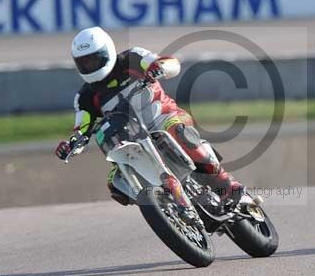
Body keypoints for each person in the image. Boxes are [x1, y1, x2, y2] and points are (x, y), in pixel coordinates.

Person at [54, 26, 249, 207]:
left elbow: (171, 63)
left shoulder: (132, 57)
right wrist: (71, 144)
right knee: (115, 184)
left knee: (180, 133)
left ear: (107, 52)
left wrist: (159, 67)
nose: (89, 66)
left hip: (164, 117)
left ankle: (226, 183)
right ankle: (165, 210)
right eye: (83, 62)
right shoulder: (85, 97)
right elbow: (81, 128)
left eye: (93, 59)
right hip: (129, 140)